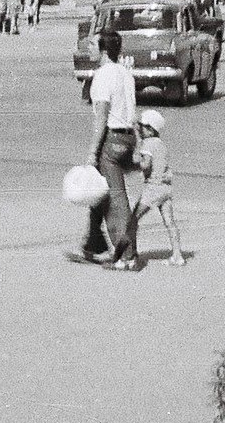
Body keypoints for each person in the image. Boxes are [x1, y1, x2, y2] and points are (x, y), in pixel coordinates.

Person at [70, 29, 139, 269]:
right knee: (99, 192)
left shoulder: (102, 76)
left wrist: (92, 152)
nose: (88, 48)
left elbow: (101, 116)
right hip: (128, 136)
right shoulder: (125, 74)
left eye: (92, 45)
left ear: (104, 50)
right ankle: (93, 244)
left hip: (111, 139)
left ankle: (126, 255)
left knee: (114, 197)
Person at [130, 108, 186, 267]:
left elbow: (146, 165)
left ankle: (132, 253)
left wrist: (133, 165)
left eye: (142, 126)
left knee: (133, 219)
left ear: (150, 129)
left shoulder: (147, 144)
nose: (139, 129)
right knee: (170, 222)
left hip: (152, 188)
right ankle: (177, 255)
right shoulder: (161, 144)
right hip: (165, 188)